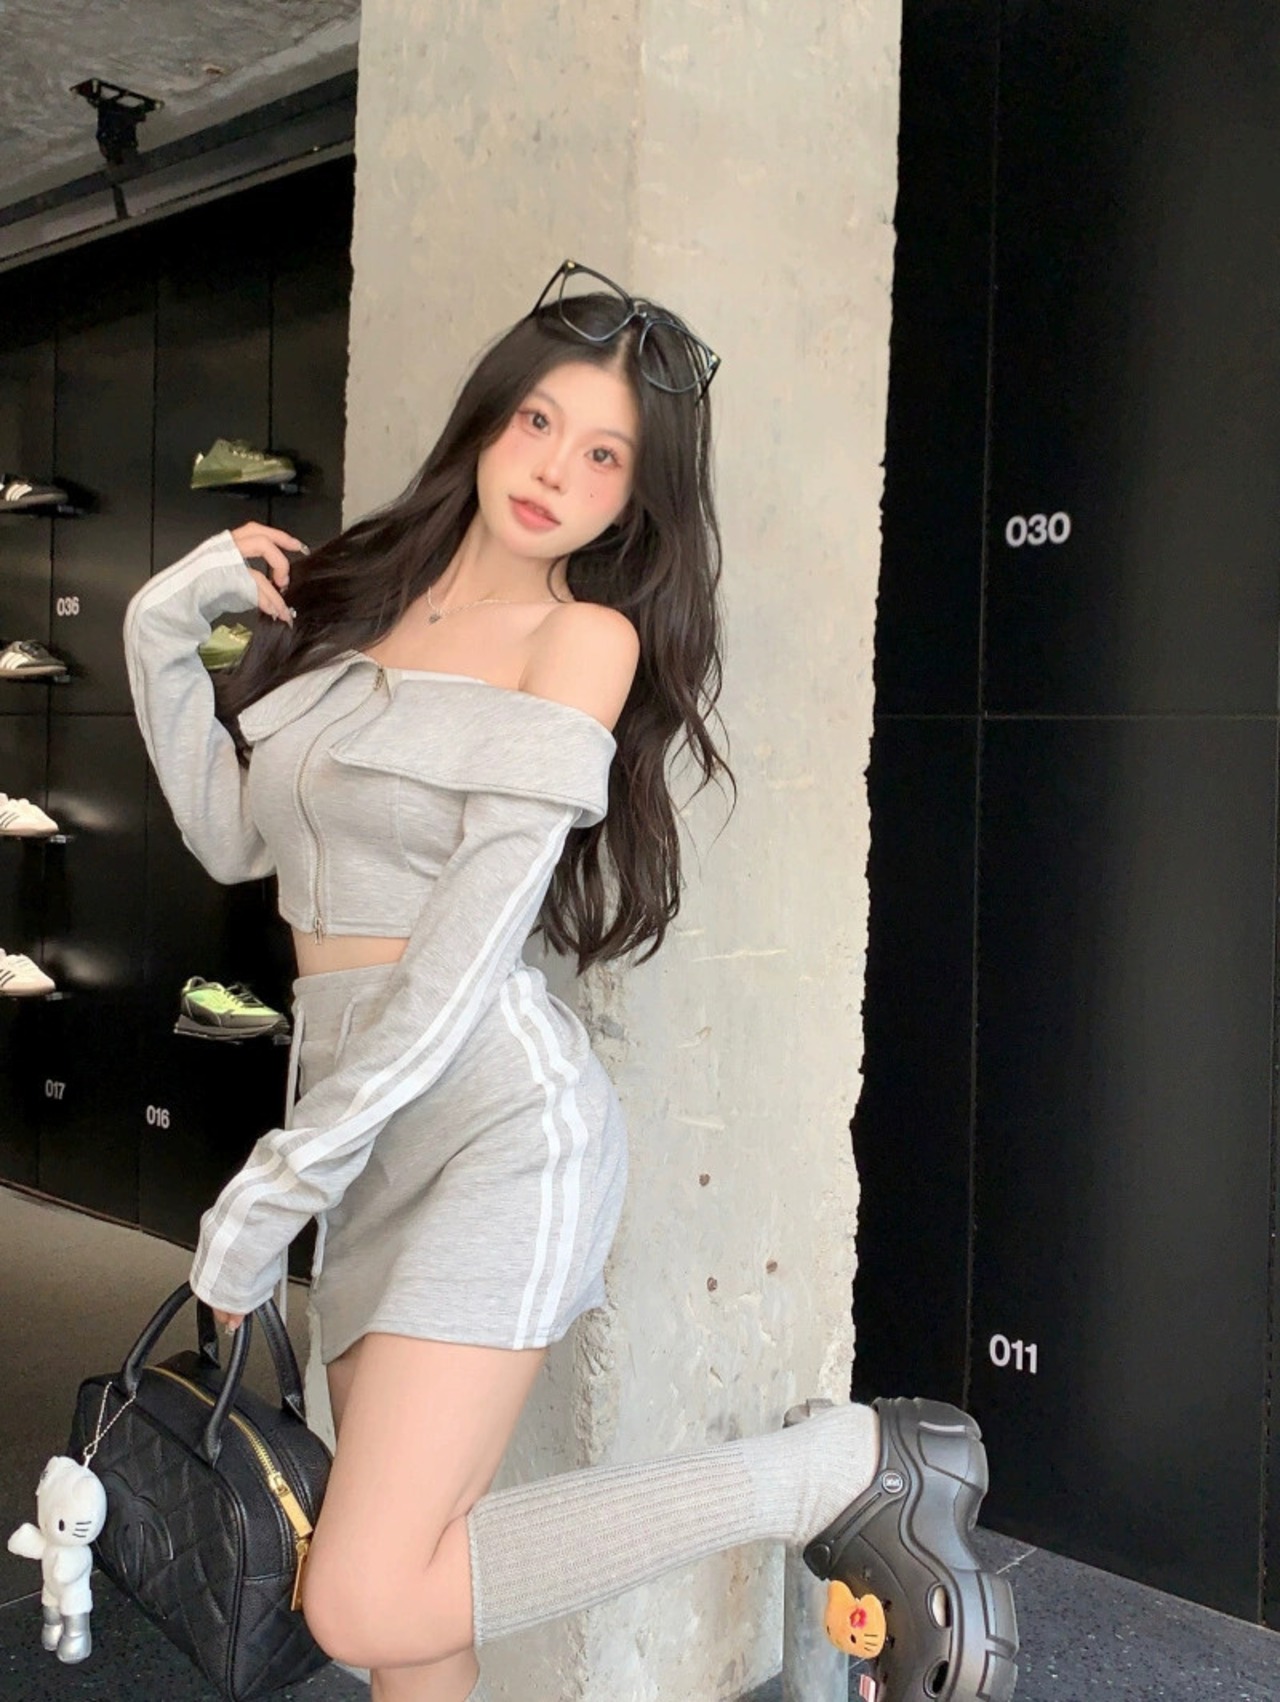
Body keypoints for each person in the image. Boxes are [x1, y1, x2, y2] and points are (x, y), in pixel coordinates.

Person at [123, 259, 1018, 1702]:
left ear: (633, 501)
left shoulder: (581, 640)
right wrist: (166, 624)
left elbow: (470, 948)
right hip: (356, 1125)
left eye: (605, 457)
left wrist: (276, 1185)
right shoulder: (352, 613)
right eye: (540, 422)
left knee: (358, 1594)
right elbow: (237, 838)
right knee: (416, 1606)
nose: (555, 471)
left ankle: (833, 1468)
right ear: (489, 420)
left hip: (497, 1127)